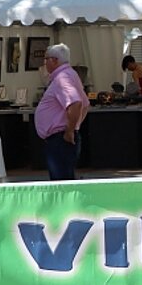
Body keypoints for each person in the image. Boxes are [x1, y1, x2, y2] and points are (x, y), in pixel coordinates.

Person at [35, 43, 90, 181]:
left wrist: (70, 130)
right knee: (65, 177)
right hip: (61, 137)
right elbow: (85, 103)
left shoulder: (62, 78)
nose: (45, 63)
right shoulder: (70, 74)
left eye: (46, 59)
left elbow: (76, 103)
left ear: (55, 60)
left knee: (60, 181)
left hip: (60, 138)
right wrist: (75, 126)